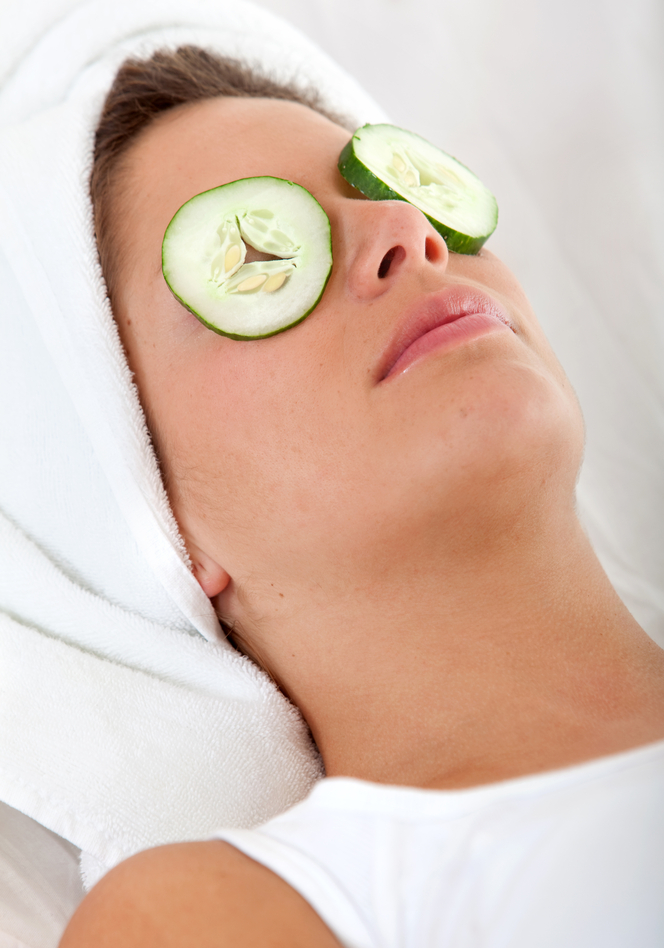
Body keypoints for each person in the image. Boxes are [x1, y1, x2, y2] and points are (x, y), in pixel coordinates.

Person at [58, 46, 664, 947]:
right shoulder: (219, 916)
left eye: (407, 197)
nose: (406, 236)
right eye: (259, 256)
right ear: (153, 517)